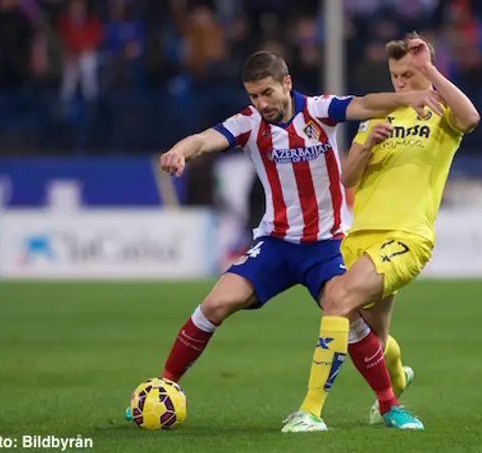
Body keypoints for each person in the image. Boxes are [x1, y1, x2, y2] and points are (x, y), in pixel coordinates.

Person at [125, 50, 444, 428]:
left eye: (266, 93)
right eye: (253, 96)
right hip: (275, 244)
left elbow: (366, 104)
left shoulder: (319, 111)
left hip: (326, 246)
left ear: (287, 83)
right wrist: (181, 150)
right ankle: (164, 387)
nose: (261, 104)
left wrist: (411, 97)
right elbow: (205, 139)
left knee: (350, 320)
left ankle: (390, 406)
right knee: (214, 304)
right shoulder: (248, 124)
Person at [282, 32, 480, 433]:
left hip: (407, 236)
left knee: (337, 299)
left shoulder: (440, 111)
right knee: (370, 334)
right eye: (395, 75)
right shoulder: (378, 117)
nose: (401, 84)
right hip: (361, 238)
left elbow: (472, 117)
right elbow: (348, 179)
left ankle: (310, 411)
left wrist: (429, 70)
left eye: (408, 74)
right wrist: (365, 145)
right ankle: (396, 381)